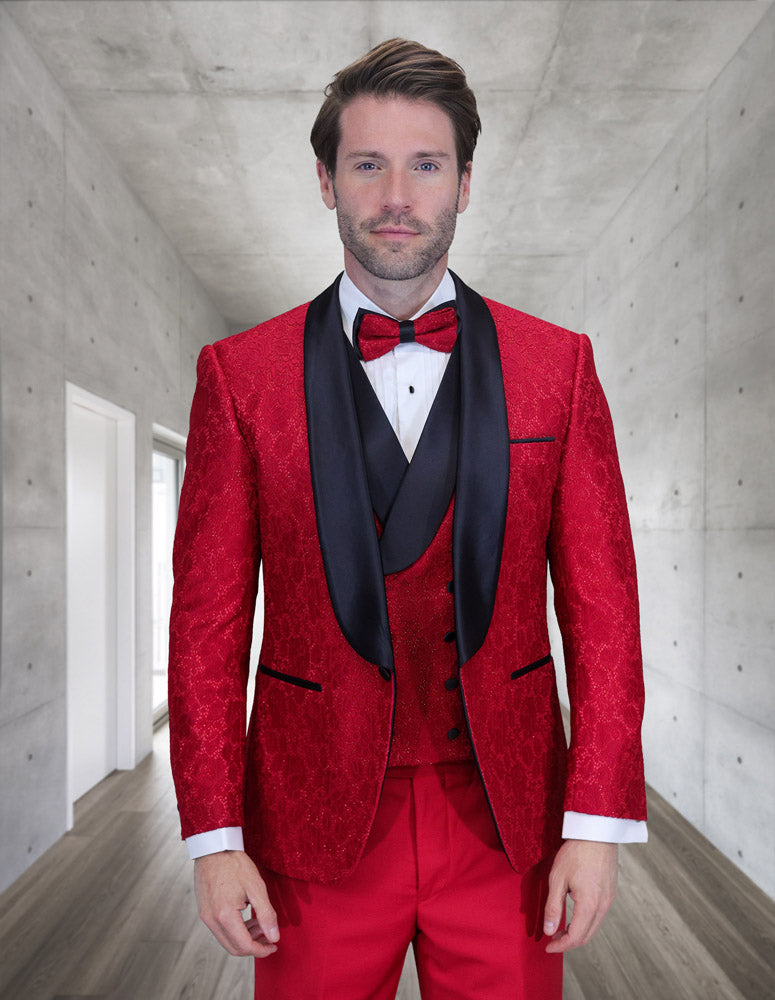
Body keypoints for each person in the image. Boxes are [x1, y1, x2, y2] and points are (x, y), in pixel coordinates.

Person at [168, 37, 647, 1000]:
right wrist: (214, 837)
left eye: (426, 165)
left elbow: (604, 610)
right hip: (310, 815)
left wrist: (595, 825)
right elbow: (206, 623)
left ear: (464, 183)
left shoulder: (558, 366)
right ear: (325, 180)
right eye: (367, 164)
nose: (396, 195)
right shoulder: (239, 376)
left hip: (508, 816)